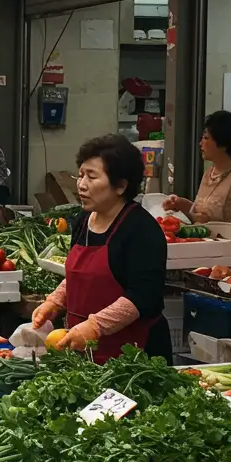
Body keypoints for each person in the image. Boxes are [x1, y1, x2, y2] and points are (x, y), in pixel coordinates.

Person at [32, 134, 172, 363]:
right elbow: (81, 276)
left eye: (91, 176)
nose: (81, 184)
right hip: (83, 348)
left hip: (134, 358)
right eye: (80, 175)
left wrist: (95, 326)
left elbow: (143, 296)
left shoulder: (142, 230)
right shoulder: (82, 221)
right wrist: (55, 301)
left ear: (120, 186)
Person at [163, 110, 231, 271]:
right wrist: (183, 205)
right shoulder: (209, 173)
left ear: (223, 144)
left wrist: (216, 226)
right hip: (205, 257)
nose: (200, 143)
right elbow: (202, 217)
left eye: (206, 138)